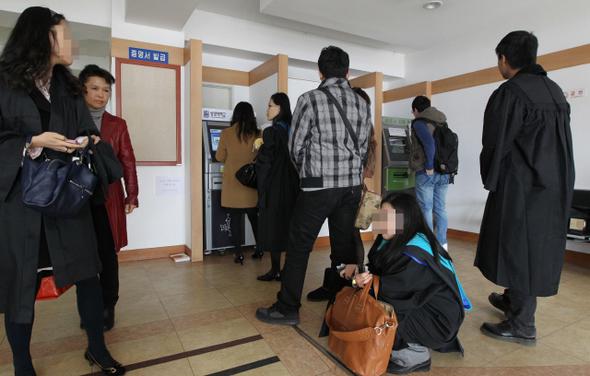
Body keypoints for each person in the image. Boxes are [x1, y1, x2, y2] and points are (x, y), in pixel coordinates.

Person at [0, 7, 126, 375]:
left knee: (88, 273)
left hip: (68, 199)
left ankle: (97, 348)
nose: (70, 41)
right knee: (19, 287)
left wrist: (86, 140)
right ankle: (23, 365)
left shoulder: (69, 87)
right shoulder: (4, 81)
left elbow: (91, 131)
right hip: (20, 205)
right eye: (65, 33)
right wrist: (31, 141)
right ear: (42, 36)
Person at [256, 46, 372, 325]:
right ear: (347, 72)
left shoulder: (310, 99)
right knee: (343, 248)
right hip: (351, 187)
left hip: (317, 186)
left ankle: (287, 308)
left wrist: (308, 173)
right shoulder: (361, 103)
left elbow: (295, 147)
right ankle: (343, 301)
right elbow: (365, 147)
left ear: (319, 72)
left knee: (299, 246)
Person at [476, 31, 575, 346]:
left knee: (518, 248)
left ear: (504, 59)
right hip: (553, 186)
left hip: (521, 186)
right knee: (530, 247)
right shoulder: (555, 91)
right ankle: (512, 300)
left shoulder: (512, 92)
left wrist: (490, 179)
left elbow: (495, 143)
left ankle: (522, 325)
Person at [352, 193, 469, 374]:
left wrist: (359, 281)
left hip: (438, 321)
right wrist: (358, 272)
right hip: (423, 306)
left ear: (405, 220)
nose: (381, 222)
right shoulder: (397, 238)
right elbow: (380, 271)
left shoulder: (413, 253)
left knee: (378, 311)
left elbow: (388, 291)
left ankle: (415, 356)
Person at [79, 64, 139, 331]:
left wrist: (132, 194)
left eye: (106, 90)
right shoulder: (68, 119)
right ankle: (88, 307)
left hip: (108, 196)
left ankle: (107, 306)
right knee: (82, 255)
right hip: (76, 197)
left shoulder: (117, 124)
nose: (101, 94)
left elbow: (128, 160)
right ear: (82, 89)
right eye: (95, 88)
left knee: (107, 254)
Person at [306, 86, 377, 301]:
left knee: (351, 237)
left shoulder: (363, 126)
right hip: (347, 188)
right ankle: (342, 284)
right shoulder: (357, 125)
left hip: (353, 189)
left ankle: (349, 285)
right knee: (346, 239)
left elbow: (369, 164)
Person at [255, 92, 299, 281]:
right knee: (290, 226)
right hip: (295, 186)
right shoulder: (294, 129)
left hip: (276, 186)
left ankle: (275, 269)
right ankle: (288, 270)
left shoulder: (271, 132)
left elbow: (265, 165)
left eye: (270, 105)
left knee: (273, 225)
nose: (267, 109)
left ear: (279, 108)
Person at [216, 102, 260, 265]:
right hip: (252, 183)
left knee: (235, 219)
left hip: (233, 183)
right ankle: (260, 249)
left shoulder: (226, 133)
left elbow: (220, 157)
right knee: (254, 217)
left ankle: (239, 254)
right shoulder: (258, 134)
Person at [409, 96, 450, 250]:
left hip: (428, 171)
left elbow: (429, 143)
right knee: (440, 207)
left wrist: (428, 166)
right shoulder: (442, 121)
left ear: (416, 110)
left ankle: (427, 243)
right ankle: (442, 244)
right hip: (444, 171)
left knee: (426, 208)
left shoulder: (420, 122)